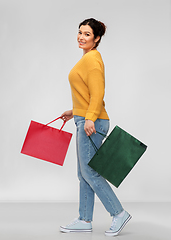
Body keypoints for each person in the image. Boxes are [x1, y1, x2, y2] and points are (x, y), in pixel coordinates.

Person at [60, 18, 131, 237]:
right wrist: (74, 111)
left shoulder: (92, 58)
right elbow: (88, 94)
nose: (81, 37)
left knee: (89, 172)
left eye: (87, 34)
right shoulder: (87, 58)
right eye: (80, 32)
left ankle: (118, 213)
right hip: (85, 118)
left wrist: (89, 117)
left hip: (92, 122)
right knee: (84, 174)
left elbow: (98, 92)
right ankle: (84, 219)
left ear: (97, 38)